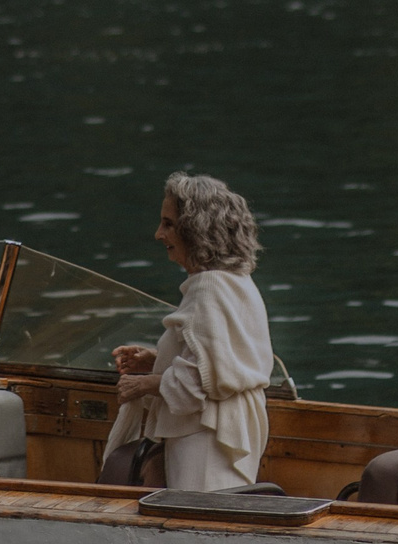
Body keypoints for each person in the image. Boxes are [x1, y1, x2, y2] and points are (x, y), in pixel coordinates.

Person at [101, 172, 274, 491]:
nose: (158, 234)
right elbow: (216, 363)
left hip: (205, 435)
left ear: (195, 230)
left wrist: (142, 385)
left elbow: (198, 383)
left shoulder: (208, 288)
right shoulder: (236, 281)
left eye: (168, 223)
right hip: (225, 425)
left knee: (198, 520)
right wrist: (155, 360)